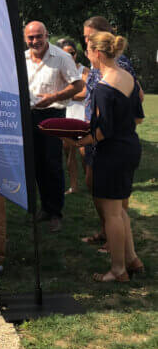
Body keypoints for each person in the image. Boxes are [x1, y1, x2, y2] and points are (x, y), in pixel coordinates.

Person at [73, 32, 144, 282]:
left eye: (89, 51)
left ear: (98, 54)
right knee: (120, 209)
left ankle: (117, 270)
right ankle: (132, 259)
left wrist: (78, 141)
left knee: (112, 212)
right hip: (130, 148)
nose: (87, 56)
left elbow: (103, 130)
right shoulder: (129, 78)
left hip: (112, 153)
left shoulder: (104, 86)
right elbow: (138, 117)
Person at [24, 20, 83, 233]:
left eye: (39, 36)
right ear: (25, 38)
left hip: (53, 114)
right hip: (29, 116)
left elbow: (78, 85)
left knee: (52, 164)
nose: (35, 41)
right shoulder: (22, 58)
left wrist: (54, 97)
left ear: (46, 35)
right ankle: (45, 208)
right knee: (36, 164)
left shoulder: (62, 57)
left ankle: (56, 212)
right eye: (31, 37)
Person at [57, 38, 88, 194]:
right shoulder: (57, 71)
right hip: (65, 116)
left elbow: (83, 93)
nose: (69, 56)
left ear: (76, 54)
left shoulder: (84, 71)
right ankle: (74, 186)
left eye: (72, 53)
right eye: (65, 54)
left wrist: (63, 94)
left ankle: (91, 184)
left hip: (81, 116)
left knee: (84, 152)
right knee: (68, 152)